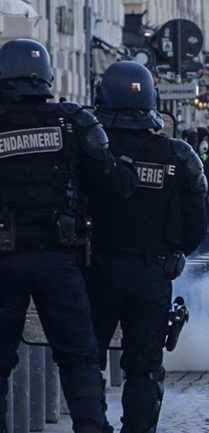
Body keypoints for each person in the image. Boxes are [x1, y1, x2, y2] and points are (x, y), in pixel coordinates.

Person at [0, 39, 138, 433]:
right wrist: (126, 169)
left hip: (4, 261)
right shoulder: (72, 121)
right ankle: (90, 427)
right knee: (79, 357)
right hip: (59, 259)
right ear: (46, 75)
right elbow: (114, 186)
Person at [86, 61, 207, 433]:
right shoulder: (178, 155)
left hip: (97, 271)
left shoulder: (91, 151)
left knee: (86, 362)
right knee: (144, 367)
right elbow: (196, 226)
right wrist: (172, 251)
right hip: (152, 273)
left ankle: (91, 426)